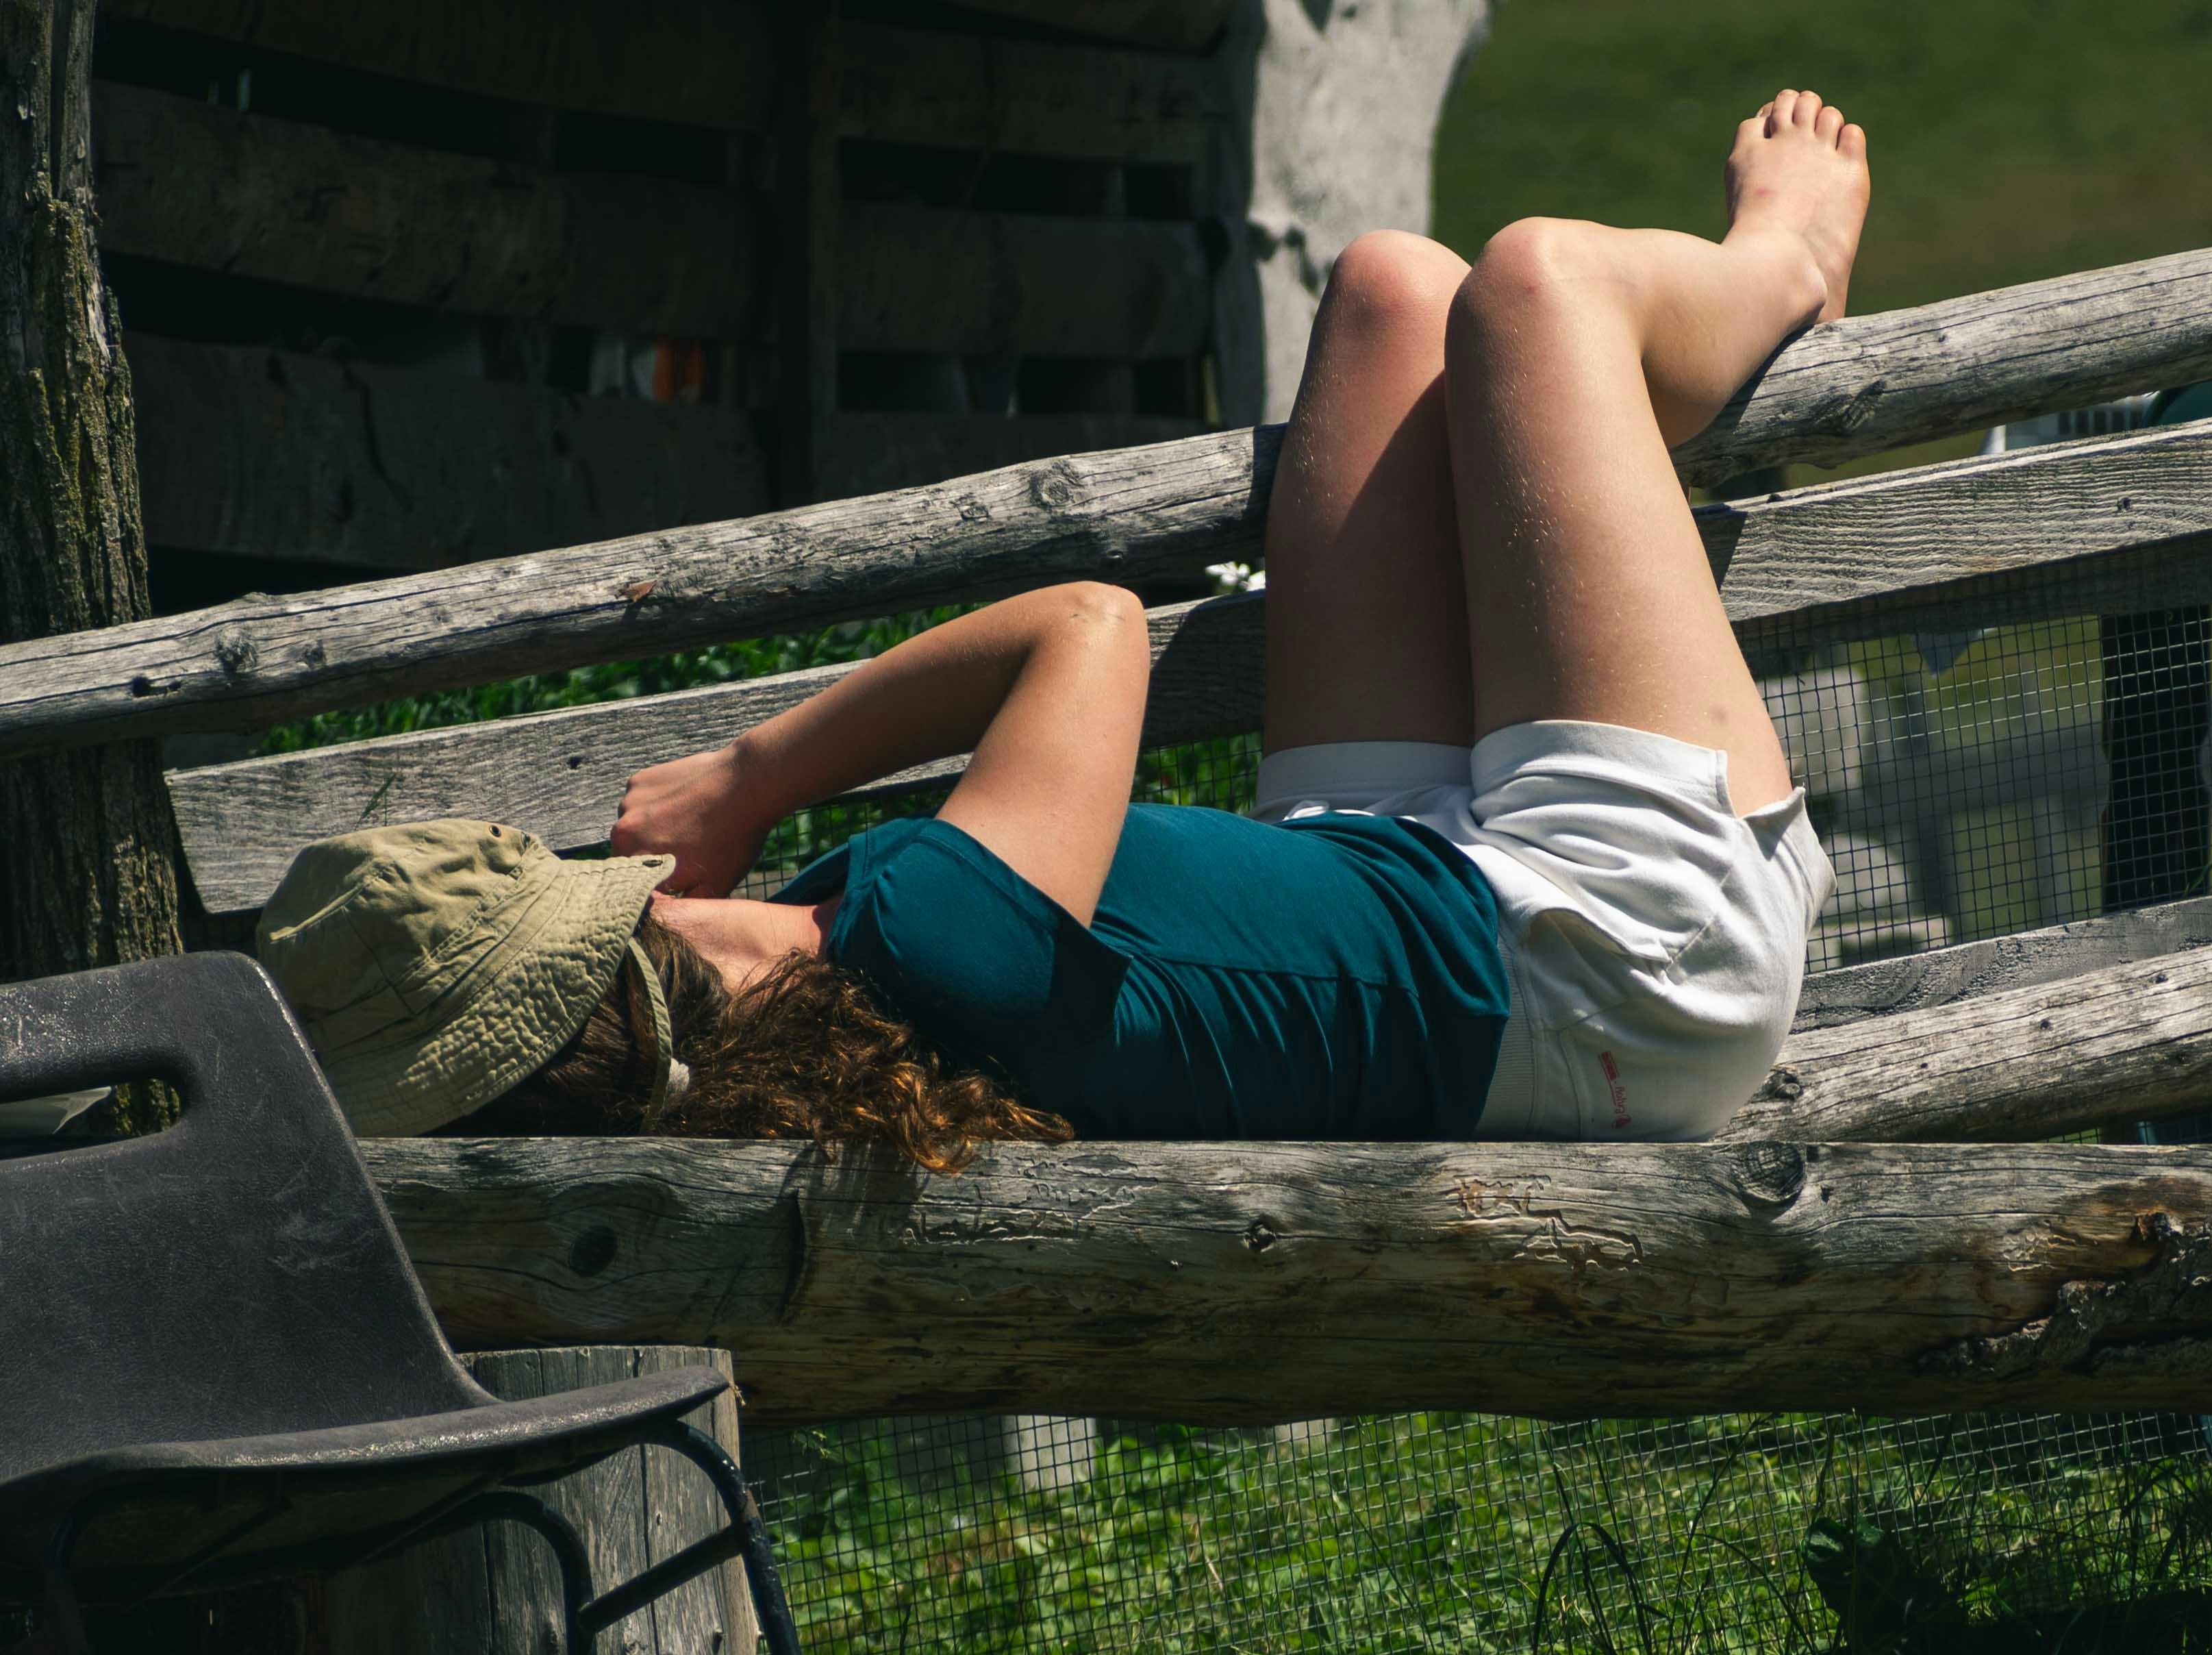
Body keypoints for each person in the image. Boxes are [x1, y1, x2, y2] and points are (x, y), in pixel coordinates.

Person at [256, 94, 1867, 1162]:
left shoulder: (825, 998)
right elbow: (1088, 629)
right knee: (1526, 290)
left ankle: (1621, 399)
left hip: (1411, 889)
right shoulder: (923, 945)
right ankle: (1776, 267)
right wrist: (750, 776)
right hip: (1629, 954)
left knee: (1387, 289)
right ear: (600, 958)